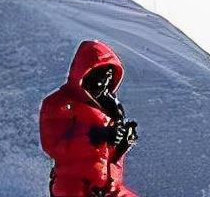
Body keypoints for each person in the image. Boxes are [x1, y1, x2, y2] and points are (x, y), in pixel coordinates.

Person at [39, 40, 139, 197]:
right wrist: (93, 136)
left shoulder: (112, 108)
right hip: (73, 187)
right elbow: (54, 146)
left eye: (110, 76)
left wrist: (122, 145)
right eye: (101, 75)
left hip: (108, 188)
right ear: (85, 72)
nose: (105, 82)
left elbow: (107, 159)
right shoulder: (58, 102)